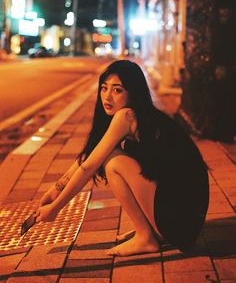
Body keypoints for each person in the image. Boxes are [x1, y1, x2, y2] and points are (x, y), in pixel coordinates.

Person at [36, 60, 209, 256]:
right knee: (113, 158)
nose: (107, 97)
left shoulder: (126, 116)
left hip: (180, 221)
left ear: (133, 92)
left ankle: (146, 238)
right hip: (183, 218)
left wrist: (55, 208)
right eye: (104, 88)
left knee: (114, 162)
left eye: (117, 90)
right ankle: (149, 231)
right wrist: (54, 190)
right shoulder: (138, 115)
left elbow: (89, 167)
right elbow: (87, 158)